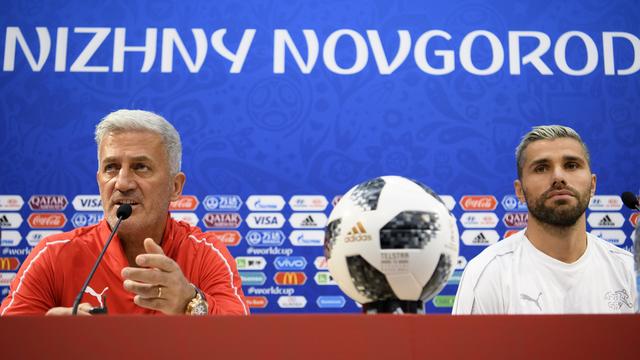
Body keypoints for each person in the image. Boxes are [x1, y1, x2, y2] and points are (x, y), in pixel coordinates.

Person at [0, 110, 248, 316]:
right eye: (111, 167)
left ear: (175, 186)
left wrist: (190, 303)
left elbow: (245, 342)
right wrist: (43, 339)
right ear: (99, 181)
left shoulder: (205, 254)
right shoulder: (53, 255)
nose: (122, 182)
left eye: (141, 167)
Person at [452, 125, 636, 314]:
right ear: (519, 191)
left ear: (592, 185)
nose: (558, 177)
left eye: (571, 165)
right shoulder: (487, 274)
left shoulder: (628, 271)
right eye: (541, 168)